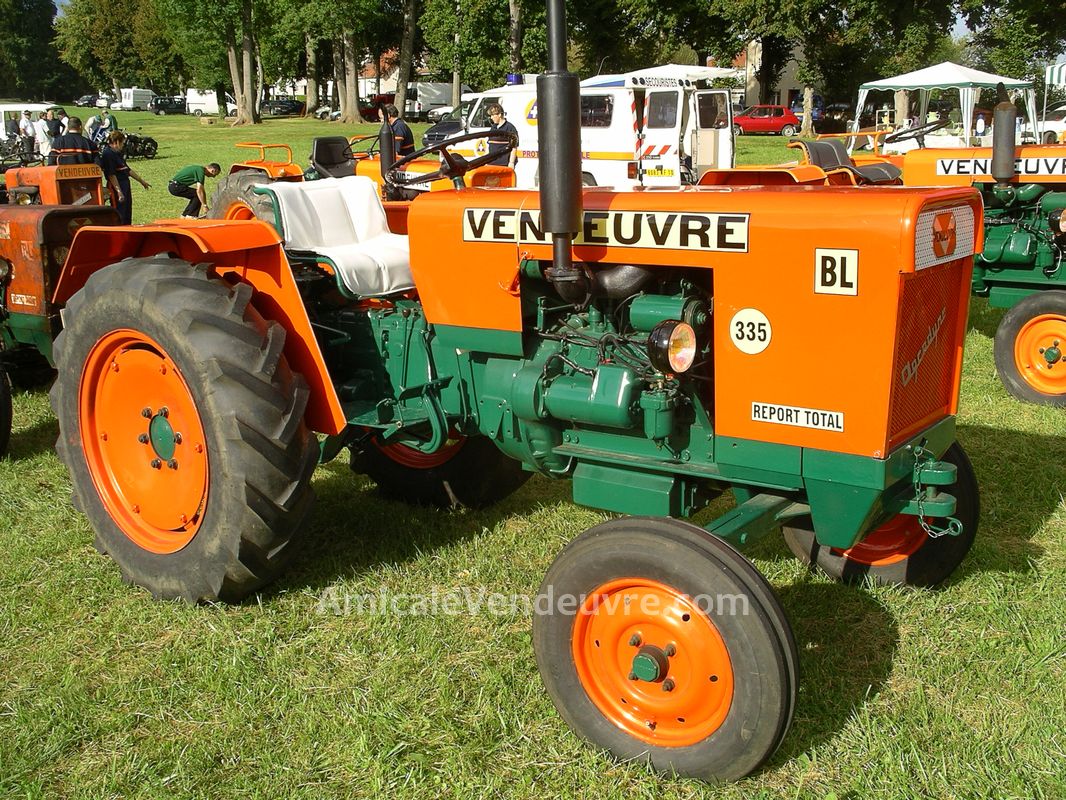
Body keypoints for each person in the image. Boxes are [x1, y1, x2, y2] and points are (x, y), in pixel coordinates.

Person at [100, 131, 150, 225]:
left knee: (127, 211)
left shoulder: (117, 152)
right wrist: (119, 192)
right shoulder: (108, 154)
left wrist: (141, 181)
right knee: (119, 213)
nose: (123, 145)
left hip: (125, 183)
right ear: (117, 142)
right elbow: (111, 175)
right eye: (122, 143)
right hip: (116, 185)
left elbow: (127, 170)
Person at [485, 103, 517, 168]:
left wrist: (511, 162)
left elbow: (514, 147)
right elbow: (489, 145)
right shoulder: (493, 128)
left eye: (492, 115)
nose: (491, 118)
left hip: (504, 164)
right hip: (491, 164)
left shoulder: (510, 128)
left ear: (499, 115)